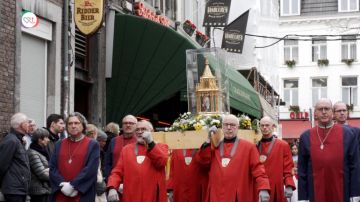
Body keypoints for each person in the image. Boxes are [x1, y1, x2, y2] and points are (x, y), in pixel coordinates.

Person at [298, 98, 360, 201]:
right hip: (315, 192)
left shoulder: (348, 135)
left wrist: (355, 193)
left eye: (327, 109)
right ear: (315, 113)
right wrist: (303, 197)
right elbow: (302, 170)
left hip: (342, 191)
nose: (324, 112)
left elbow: (355, 166)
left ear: (332, 112)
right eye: (320, 109)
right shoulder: (305, 137)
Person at [197, 114, 270, 202]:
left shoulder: (249, 147)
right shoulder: (214, 146)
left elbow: (258, 169)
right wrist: (208, 140)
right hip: (216, 195)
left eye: (232, 125)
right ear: (222, 127)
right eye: (226, 125)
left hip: (237, 196)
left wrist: (264, 187)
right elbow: (203, 163)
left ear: (238, 127)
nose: (228, 127)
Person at [107, 120, 169, 202]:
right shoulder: (126, 149)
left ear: (152, 131)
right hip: (131, 196)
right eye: (137, 130)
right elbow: (117, 172)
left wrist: (151, 143)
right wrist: (112, 187)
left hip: (153, 196)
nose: (140, 132)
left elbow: (161, 162)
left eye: (143, 129)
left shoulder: (161, 146)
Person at [49, 112, 100, 202]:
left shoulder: (92, 144)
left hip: (81, 193)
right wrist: (62, 184)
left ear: (83, 126)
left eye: (76, 123)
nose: (73, 126)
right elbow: (53, 167)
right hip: (61, 192)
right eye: (70, 123)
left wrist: (73, 185)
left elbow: (90, 170)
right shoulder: (59, 144)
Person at [257, 116, 295, 202]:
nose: (264, 128)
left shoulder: (283, 145)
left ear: (273, 126)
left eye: (267, 125)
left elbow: (288, 167)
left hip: (277, 188)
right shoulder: (255, 146)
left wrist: (289, 184)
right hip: (260, 189)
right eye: (262, 125)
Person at [0, 112, 31, 202]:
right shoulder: (11, 141)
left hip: (19, 190)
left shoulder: (18, 140)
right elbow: (2, 165)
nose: (29, 125)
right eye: (27, 122)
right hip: (13, 191)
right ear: (21, 125)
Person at [104, 115, 138, 179]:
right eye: (125, 123)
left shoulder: (141, 141)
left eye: (131, 123)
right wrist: (109, 179)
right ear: (122, 126)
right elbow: (107, 163)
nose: (128, 125)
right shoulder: (114, 141)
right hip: (116, 182)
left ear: (136, 125)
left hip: (135, 181)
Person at [28, 128, 51, 202]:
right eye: (46, 137)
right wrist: (54, 176)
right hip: (38, 192)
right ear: (40, 140)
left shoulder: (42, 151)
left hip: (44, 190)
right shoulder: (33, 153)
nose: (48, 140)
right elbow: (42, 174)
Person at [86, 124, 107, 202]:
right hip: (94, 182)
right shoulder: (94, 146)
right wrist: (100, 182)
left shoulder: (80, 144)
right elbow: (96, 167)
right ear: (94, 134)